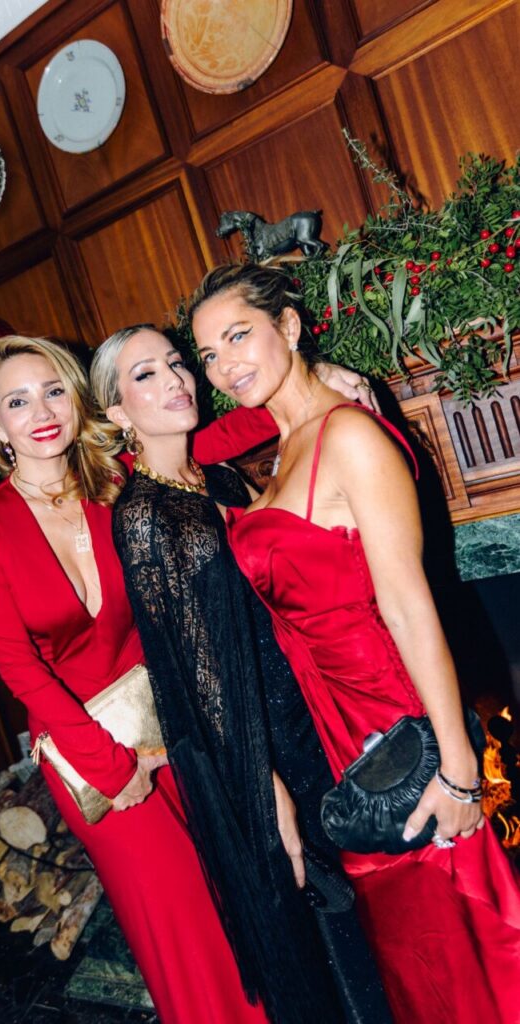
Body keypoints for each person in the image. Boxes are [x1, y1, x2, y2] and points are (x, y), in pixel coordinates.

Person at [0, 333, 374, 1023]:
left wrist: (307, 382)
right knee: (182, 931)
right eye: (17, 402)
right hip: (95, 760)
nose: (42, 412)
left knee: (239, 906)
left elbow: (201, 438)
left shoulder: (111, 480)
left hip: (181, 728)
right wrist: (111, 767)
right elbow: (17, 668)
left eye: (54, 390)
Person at [188, 262, 520, 1024]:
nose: (224, 364)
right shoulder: (280, 448)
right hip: (336, 736)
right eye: (208, 355)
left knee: (461, 946)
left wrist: (461, 770)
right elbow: (177, 445)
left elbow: (408, 605)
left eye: (238, 335)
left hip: (394, 722)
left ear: (291, 327)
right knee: (414, 962)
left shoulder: (349, 436)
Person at [91, 325, 393, 1024]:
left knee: (365, 913)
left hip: (307, 713)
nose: (173, 380)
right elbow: (200, 680)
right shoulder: (142, 516)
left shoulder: (215, 478)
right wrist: (266, 791)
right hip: (261, 750)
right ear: (115, 413)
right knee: (330, 936)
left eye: (175, 363)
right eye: (145, 376)